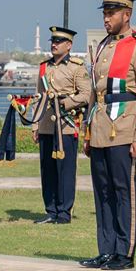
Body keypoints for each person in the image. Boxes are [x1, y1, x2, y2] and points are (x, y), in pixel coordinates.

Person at [79, 0, 136, 271]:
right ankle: (106, 249)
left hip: (125, 130)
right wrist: (87, 132)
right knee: (103, 192)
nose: (106, 18)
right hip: (101, 129)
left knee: (124, 192)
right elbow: (94, 94)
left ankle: (124, 252)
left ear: (127, 15)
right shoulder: (103, 47)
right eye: (104, 13)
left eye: (111, 13)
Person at [34, 27, 90, 224]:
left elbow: (85, 94)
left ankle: (64, 212)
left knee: (65, 170)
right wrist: (35, 126)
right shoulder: (44, 67)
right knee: (47, 170)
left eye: (58, 41)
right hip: (46, 126)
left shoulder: (76, 67)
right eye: (52, 41)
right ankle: (50, 210)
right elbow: (39, 97)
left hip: (66, 125)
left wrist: (65, 103)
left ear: (69, 45)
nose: (54, 44)